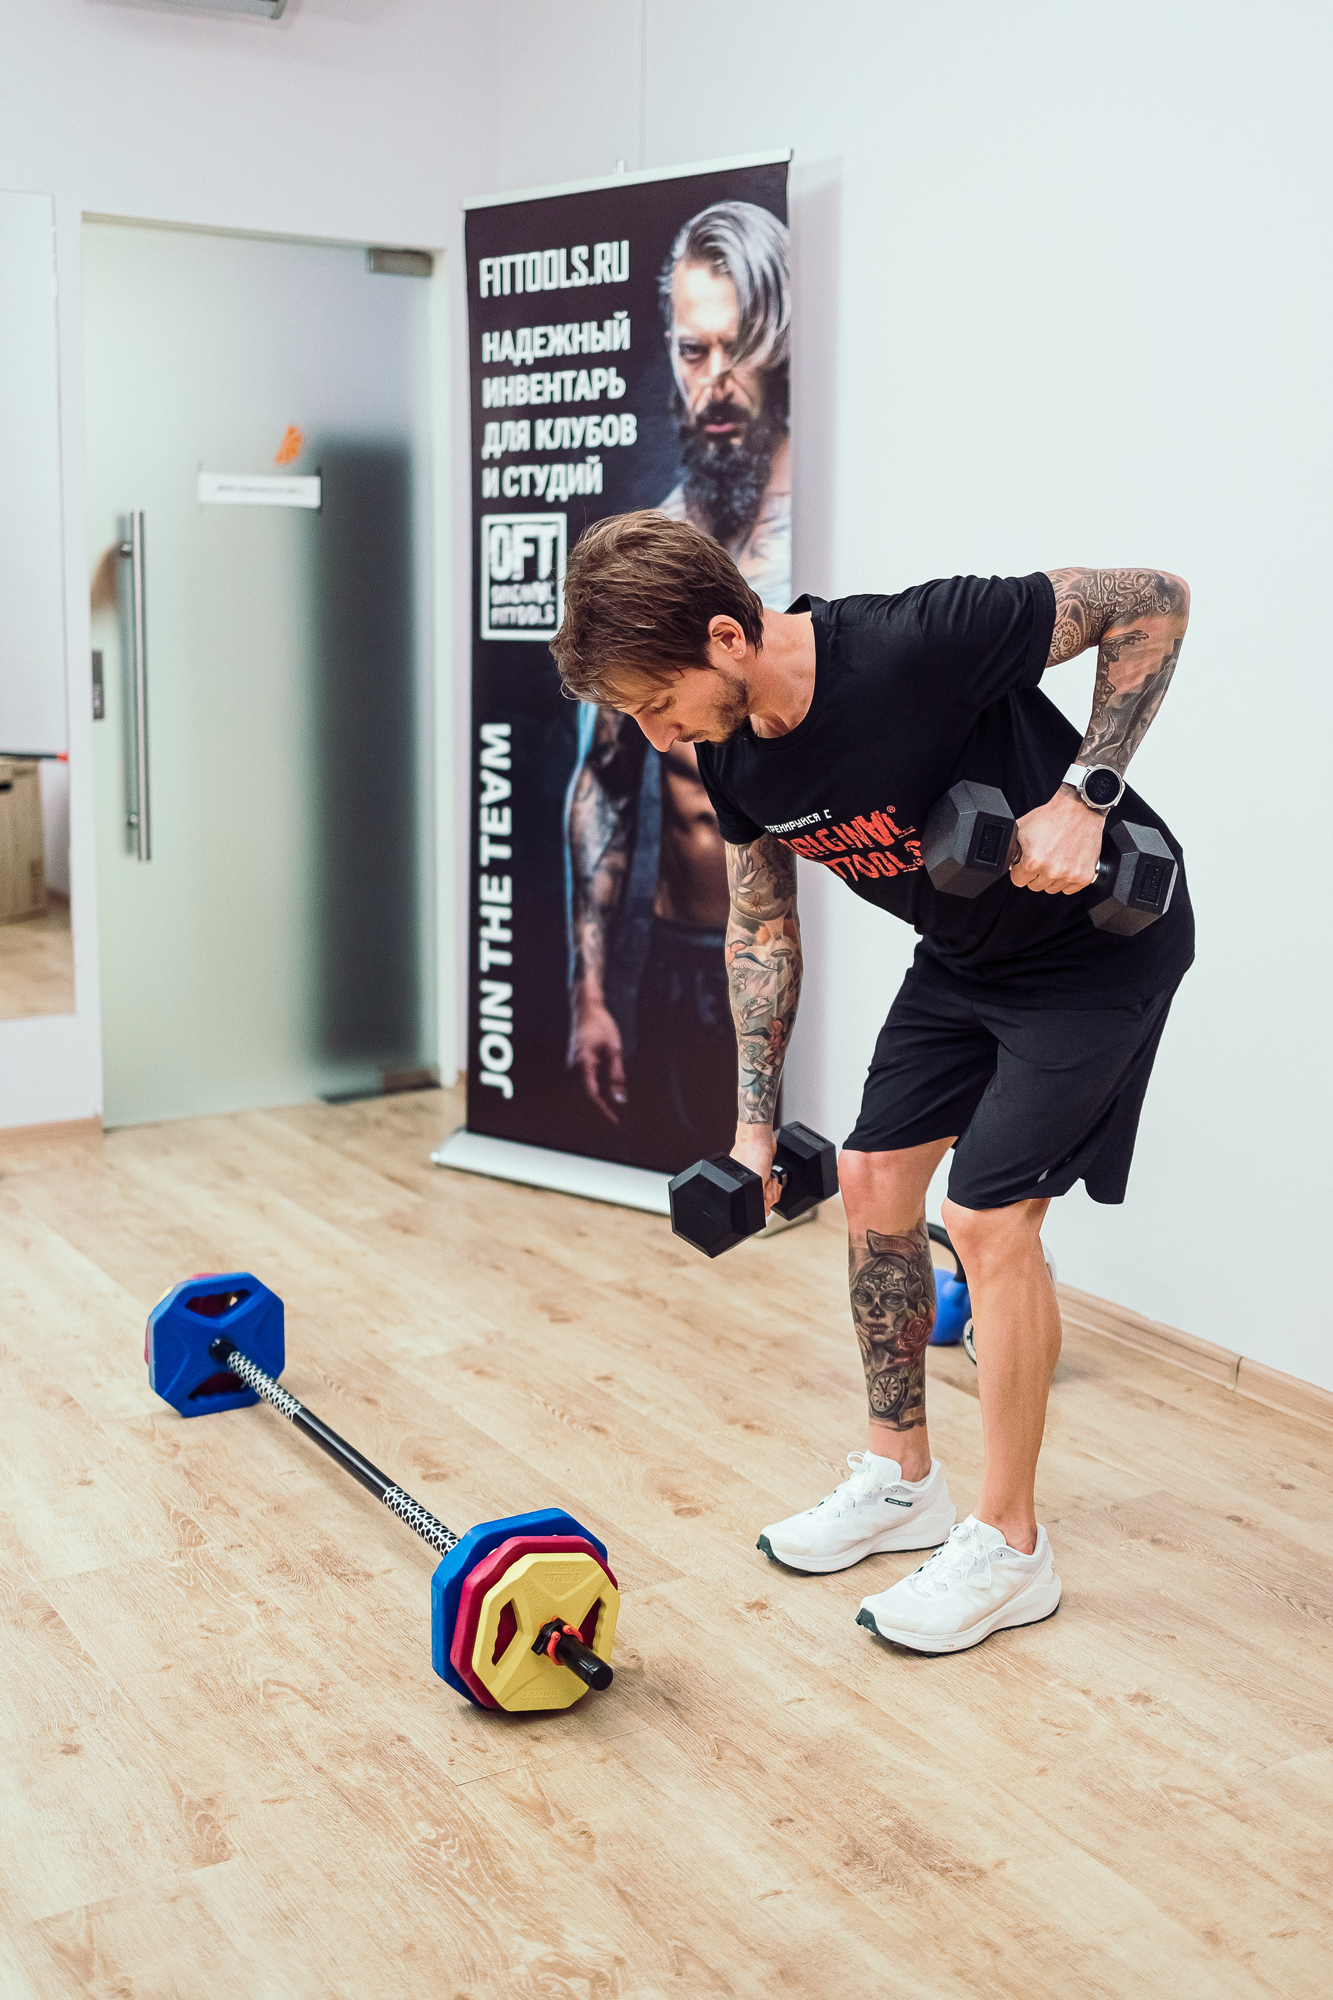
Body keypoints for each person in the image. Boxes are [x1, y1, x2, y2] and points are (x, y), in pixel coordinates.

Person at [552, 512, 1193, 1656]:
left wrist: (1084, 793)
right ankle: (903, 1479)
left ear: (726, 637)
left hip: (1094, 952)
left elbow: (1152, 597)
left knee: (986, 1216)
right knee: (870, 1178)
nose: (656, 736)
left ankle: (1011, 1545)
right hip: (963, 955)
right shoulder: (728, 749)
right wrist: (752, 1132)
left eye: (658, 702)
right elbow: (759, 924)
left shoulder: (915, 641)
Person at [563, 202, 792, 1162]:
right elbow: (607, 780)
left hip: (805, 955)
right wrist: (589, 992)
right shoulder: (654, 559)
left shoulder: (816, 549)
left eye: (741, 349)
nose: (716, 381)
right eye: (694, 352)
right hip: (682, 954)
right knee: (696, 1206)